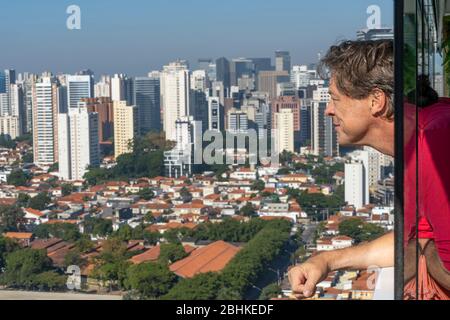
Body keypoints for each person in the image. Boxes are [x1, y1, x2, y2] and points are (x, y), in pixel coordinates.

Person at [288, 39, 450, 300]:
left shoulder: (434, 141)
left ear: (376, 100)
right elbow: (416, 240)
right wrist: (326, 261)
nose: (328, 110)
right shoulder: (419, 139)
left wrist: (415, 259)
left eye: (335, 99)